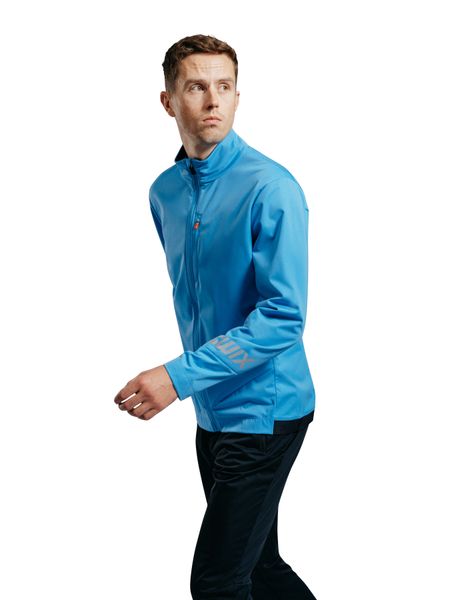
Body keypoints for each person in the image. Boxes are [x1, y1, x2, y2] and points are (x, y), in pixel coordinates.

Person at [114, 34, 317, 600]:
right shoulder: (164, 192)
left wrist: (176, 377)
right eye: (196, 87)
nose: (212, 100)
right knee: (259, 567)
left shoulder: (272, 188)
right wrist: (193, 385)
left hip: (267, 412)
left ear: (237, 96)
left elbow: (283, 316)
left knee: (217, 582)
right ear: (168, 101)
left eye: (224, 87)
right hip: (212, 410)